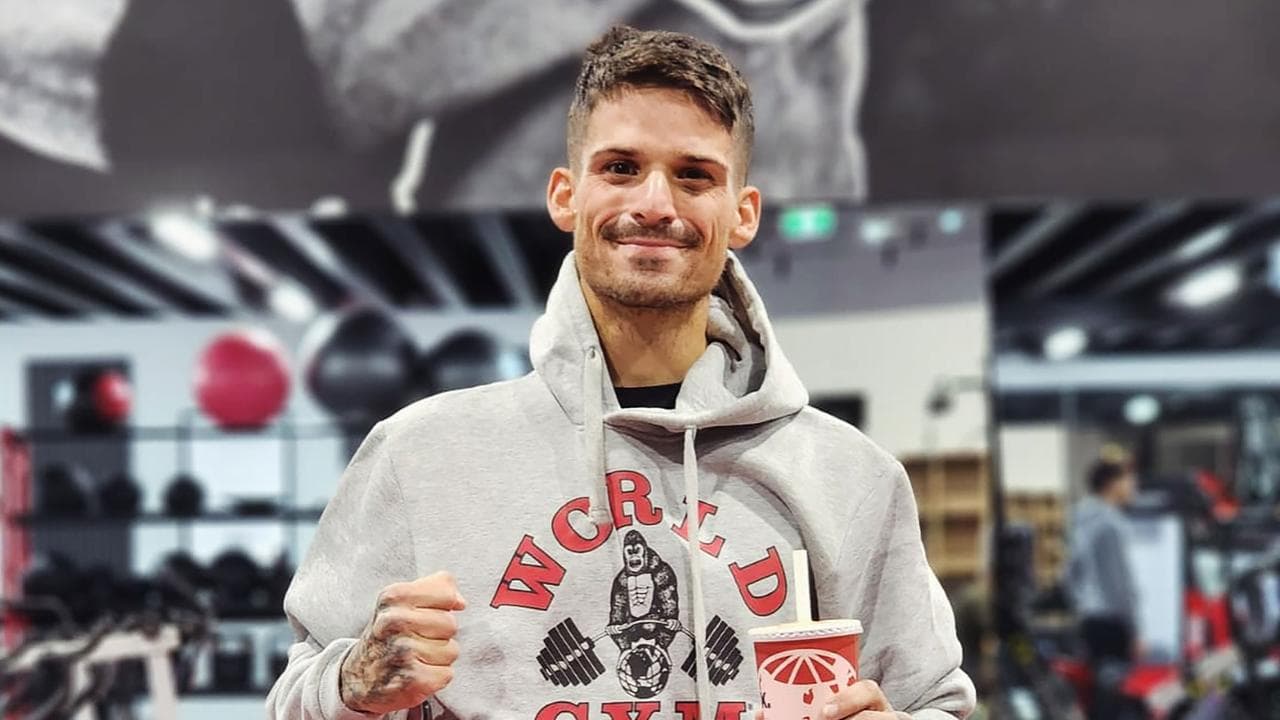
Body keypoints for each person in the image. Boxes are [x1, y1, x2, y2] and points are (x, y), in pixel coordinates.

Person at [267, 26, 974, 720]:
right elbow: (294, 697)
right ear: (565, 195)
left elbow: (935, 701)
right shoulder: (420, 456)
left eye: (694, 176)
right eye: (620, 168)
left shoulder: (851, 478)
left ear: (743, 213)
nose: (655, 204)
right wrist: (351, 684)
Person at [1066, 454, 1140, 718]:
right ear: (1111, 483)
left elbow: (1070, 575)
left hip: (1090, 619)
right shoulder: (1112, 524)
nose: (1133, 486)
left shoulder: (1079, 518)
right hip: (1113, 620)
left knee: (1096, 694)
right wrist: (1135, 628)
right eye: (1129, 480)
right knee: (1115, 696)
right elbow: (1121, 581)